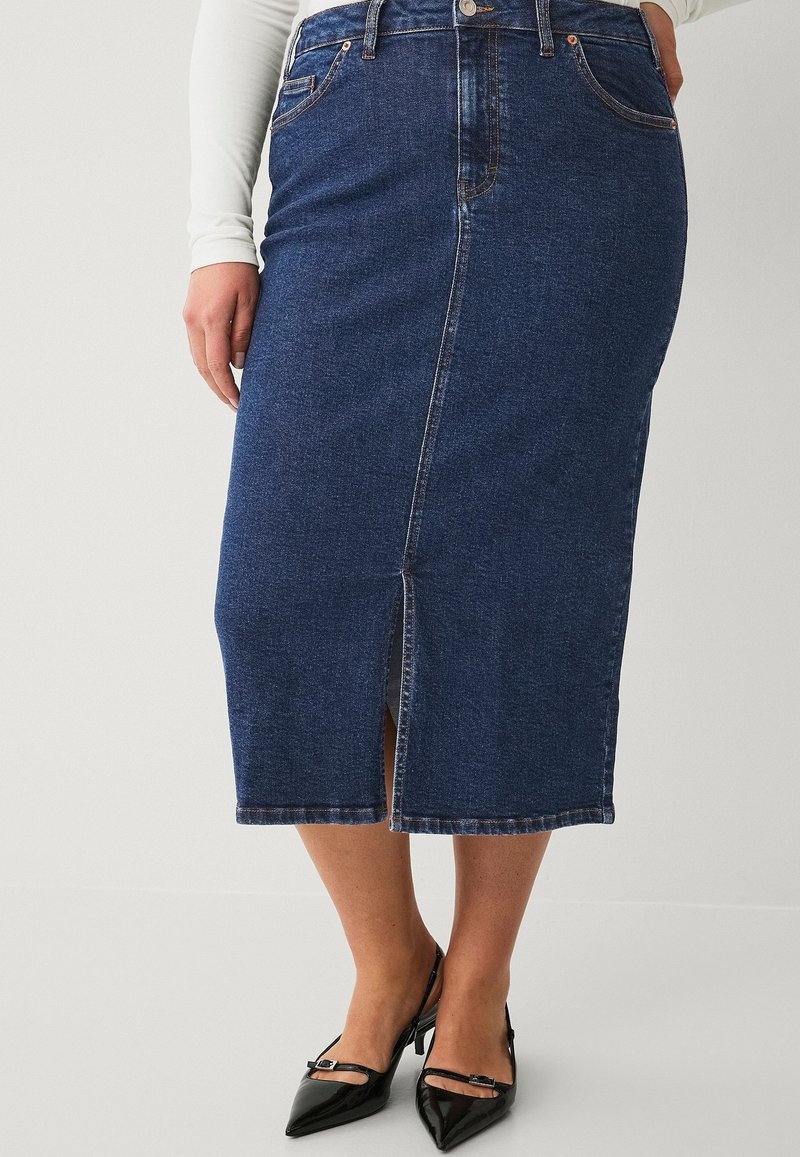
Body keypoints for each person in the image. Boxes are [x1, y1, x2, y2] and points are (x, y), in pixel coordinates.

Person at [182, 0, 750, 1149]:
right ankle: (391, 960)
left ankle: (478, 983)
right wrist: (215, 231)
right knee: (280, 592)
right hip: (351, 101)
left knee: (517, 578)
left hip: (578, 107)